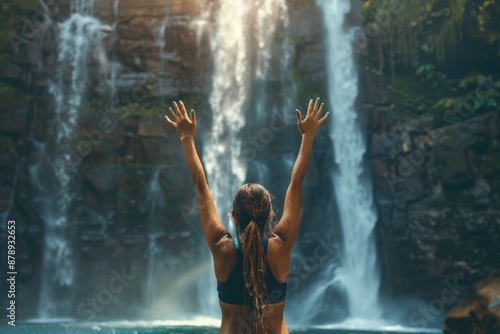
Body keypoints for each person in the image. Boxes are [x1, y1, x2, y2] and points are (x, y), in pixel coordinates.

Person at [165, 98, 329, 334]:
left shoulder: (222, 249)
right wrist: (308, 137)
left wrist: (186, 138)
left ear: (233, 215)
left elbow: (200, 185)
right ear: (271, 213)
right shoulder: (280, 247)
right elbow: (296, 183)